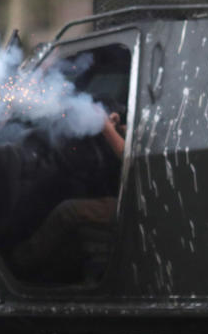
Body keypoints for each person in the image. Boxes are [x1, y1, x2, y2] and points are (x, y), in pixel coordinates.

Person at [10, 110, 126, 281]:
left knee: (68, 212)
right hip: (134, 193)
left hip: (138, 204)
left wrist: (107, 130)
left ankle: (18, 267)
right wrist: (120, 127)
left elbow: (131, 158)